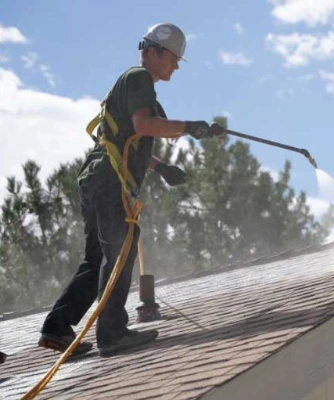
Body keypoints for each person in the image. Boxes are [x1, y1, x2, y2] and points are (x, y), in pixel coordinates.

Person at [38, 22, 225, 358]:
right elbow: (143, 125)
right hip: (109, 183)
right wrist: (189, 127)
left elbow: (122, 138)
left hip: (97, 179)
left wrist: (158, 167)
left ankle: (57, 327)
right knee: (122, 249)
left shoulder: (126, 86)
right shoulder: (139, 79)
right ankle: (112, 333)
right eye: (173, 58)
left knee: (98, 258)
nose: (176, 65)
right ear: (153, 52)